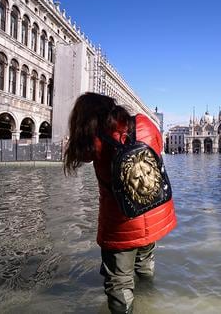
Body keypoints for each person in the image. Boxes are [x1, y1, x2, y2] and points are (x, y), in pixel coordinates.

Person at [64, 92, 177, 314]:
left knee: (118, 282)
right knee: (145, 265)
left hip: (120, 224)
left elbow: (80, 157)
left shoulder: (93, 139)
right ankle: (149, 304)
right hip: (154, 212)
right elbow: (159, 148)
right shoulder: (144, 123)